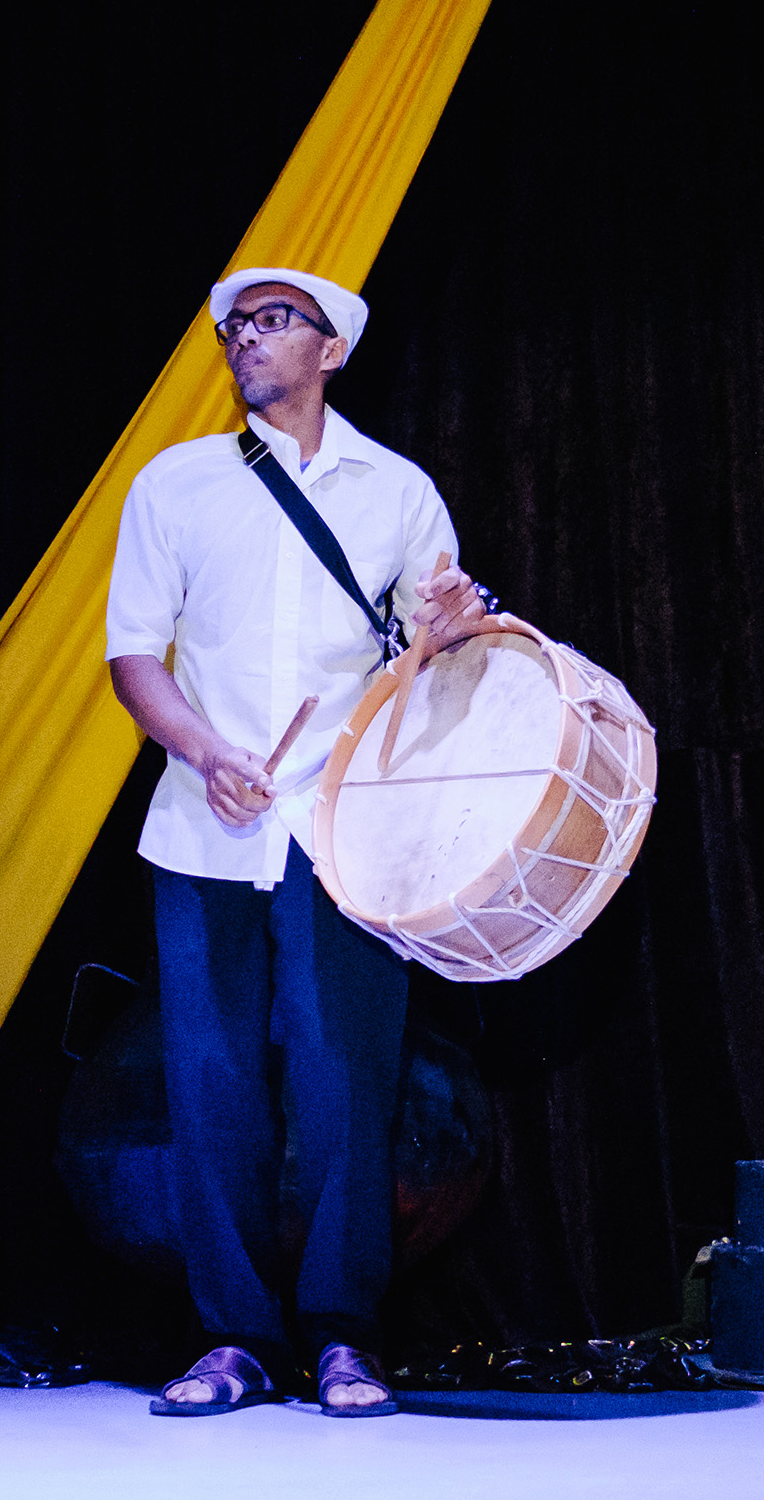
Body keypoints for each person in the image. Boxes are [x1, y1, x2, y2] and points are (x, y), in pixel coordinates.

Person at [106, 266, 493, 1416]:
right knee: (212, 1078)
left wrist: (442, 638)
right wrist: (203, 749)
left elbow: (434, 660)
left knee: (342, 1076)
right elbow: (135, 655)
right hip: (204, 822)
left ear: (332, 349)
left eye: (273, 321)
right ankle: (230, 1336)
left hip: (343, 826)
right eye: (236, 325)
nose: (247, 339)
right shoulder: (174, 484)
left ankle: (341, 1334)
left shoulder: (398, 491)